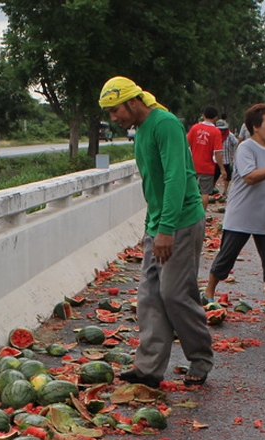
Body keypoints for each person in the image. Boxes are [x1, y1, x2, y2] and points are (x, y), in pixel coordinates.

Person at [100, 76, 214, 388]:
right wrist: (154, 227)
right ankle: (148, 369)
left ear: (133, 101)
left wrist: (166, 230)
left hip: (180, 222)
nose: (114, 118)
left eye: (115, 110)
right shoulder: (140, 130)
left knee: (175, 294)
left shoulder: (165, 124)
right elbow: (154, 182)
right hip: (158, 223)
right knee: (150, 296)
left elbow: (177, 178)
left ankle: (201, 358)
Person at [203, 103, 265, 316]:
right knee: (226, 258)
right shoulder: (245, 148)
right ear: (256, 126)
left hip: (264, 216)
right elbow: (250, 177)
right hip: (241, 215)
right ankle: (208, 293)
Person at [187, 106, 222, 213]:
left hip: (192, 165)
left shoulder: (194, 128)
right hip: (207, 167)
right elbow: (218, 152)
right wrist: (222, 168)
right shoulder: (216, 132)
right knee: (205, 192)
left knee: (191, 190)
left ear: (203, 115)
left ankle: (190, 213)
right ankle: (201, 215)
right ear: (215, 118)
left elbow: (186, 145)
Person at [216, 119, 238, 198]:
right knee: (215, 176)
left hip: (227, 160)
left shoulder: (230, 136)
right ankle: (212, 190)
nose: (221, 131)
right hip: (217, 161)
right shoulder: (216, 135)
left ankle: (225, 191)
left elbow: (236, 143)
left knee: (227, 178)